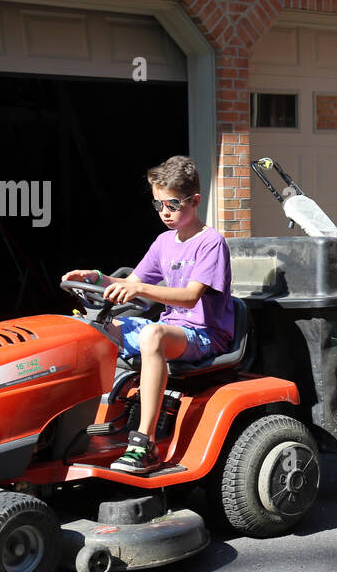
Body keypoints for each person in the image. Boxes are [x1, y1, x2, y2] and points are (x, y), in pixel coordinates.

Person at [62, 155, 234, 473]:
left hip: (205, 333)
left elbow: (189, 297)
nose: (164, 213)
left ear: (195, 201)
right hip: (172, 328)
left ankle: (145, 442)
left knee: (152, 333)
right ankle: (75, 427)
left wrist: (140, 291)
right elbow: (132, 283)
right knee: (87, 327)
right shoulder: (163, 242)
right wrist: (96, 278)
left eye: (172, 205)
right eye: (158, 206)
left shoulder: (211, 243)